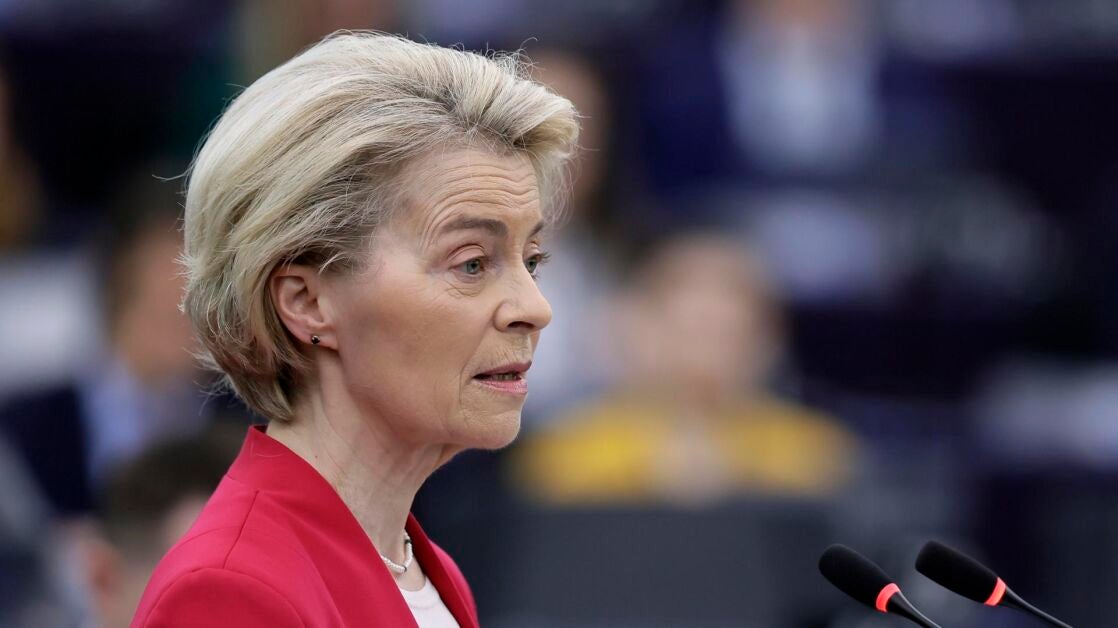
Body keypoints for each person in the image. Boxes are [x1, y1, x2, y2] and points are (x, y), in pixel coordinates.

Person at [132, 32, 578, 627]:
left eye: (532, 261)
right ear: (307, 303)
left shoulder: (432, 574)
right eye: (472, 263)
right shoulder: (229, 592)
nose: (534, 307)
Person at [512, 233, 858, 505]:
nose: (704, 355)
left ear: (766, 342)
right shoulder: (565, 453)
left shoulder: (815, 455)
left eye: (726, 334)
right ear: (636, 329)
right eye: (688, 330)